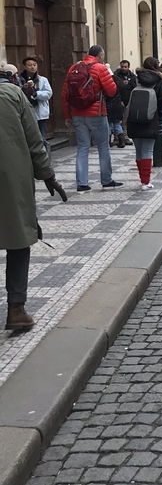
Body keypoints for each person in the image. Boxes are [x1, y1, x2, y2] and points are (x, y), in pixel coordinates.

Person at [2, 66, 67, 330]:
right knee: (18, 240)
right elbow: (34, 140)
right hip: (11, 179)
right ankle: (16, 309)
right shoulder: (14, 95)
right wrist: (48, 176)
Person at [61, 45, 122, 191]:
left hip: (77, 113)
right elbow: (112, 91)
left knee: (82, 147)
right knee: (103, 147)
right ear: (100, 55)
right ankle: (106, 180)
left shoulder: (73, 68)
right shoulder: (100, 68)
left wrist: (67, 115)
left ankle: (82, 183)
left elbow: (64, 94)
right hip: (97, 113)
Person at [126, 57, 162, 189]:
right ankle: (146, 182)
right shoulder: (158, 80)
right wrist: (156, 107)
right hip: (151, 119)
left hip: (133, 119)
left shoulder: (135, 79)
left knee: (138, 150)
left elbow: (125, 95)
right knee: (147, 150)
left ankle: (142, 179)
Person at [17, 56, 52, 152]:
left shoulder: (42, 80)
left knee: (42, 137)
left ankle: (45, 156)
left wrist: (36, 93)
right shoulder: (19, 80)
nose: (32, 67)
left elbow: (48, 93)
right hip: (25, 112)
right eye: (29, 65)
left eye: (34, 65)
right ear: (24, 66)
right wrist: (23, 89)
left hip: (40, 113)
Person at [115, 60, 137, 145]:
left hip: (128, 100)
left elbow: (135, 87)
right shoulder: (116, 75)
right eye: (122, 67)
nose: (124, 68)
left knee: (126, 120)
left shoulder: (132, 76)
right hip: (118, 100)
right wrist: (121, 83)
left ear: (128, 67)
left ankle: (125, 136)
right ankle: (117, 137)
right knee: (117, 120)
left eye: (125, 67)